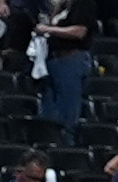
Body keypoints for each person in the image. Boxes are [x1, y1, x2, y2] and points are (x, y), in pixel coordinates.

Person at [38, 0, 92, 140]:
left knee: (67, 113)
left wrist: (48, 30)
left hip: (70, 59)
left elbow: (80, 31)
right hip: (52, 60)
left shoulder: (84, 4)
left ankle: (66, 145)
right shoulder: (62, 6)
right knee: (48, 113)